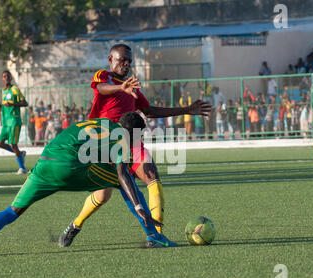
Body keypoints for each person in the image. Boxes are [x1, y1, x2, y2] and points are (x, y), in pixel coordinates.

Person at [0, 112, 176, 258]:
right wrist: (139, 206)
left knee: (11, 211)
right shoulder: (124, 136)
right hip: (69, 166)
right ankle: (154, 236)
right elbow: (122, 171)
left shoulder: (102, 123)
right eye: (139, 135)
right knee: (125, 182)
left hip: (45, 162)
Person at [59, 43, 211, 246]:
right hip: (104, 142)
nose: (126, 64)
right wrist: (121, 87)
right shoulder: (104, 77)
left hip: (131, 140)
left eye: (129, 60)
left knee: (152, 176)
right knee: (103, 195)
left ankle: (156, 236)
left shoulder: (133, 87)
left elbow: (149, 110)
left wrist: (185, 110)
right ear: (110, 59)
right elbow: (102, 89)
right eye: (122, 59)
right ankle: (75, 225)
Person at [0, 70, 28, 174]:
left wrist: (13, 104)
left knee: (14, 144)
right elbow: (4, 104)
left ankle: (22, 168)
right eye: (4, 76)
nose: (6, 78)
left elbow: (25, 103)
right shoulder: (3, 91)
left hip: (14, 121)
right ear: (2, 79)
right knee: (0, 143)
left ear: (10, 78)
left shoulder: (15, 89)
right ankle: (20, 154)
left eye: (8, 76)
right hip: (5, 123)